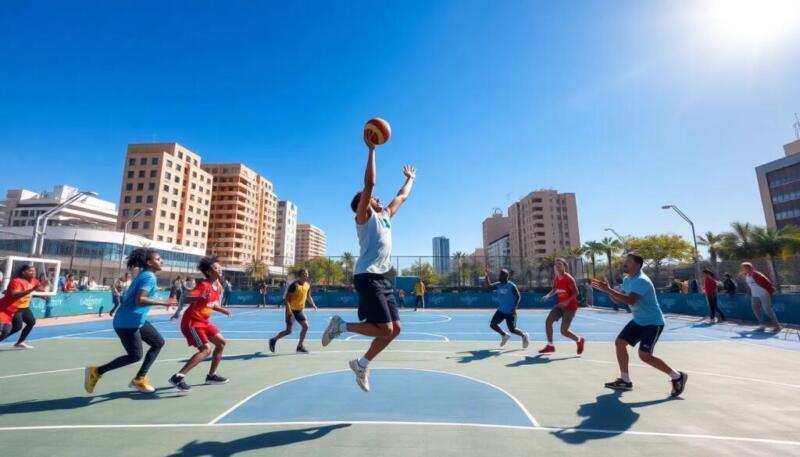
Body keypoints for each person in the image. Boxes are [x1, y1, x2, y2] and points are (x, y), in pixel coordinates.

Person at [320, 134, 416, 392]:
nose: (378, 198)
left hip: (382, 278)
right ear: (363, 203)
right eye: (372, 197)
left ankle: (361, 365)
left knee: (394, 330)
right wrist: (372, 150)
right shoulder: (363, 217)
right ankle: (340, 326)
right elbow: (370, 182)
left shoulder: (385, 216)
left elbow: (402, 197)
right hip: (367, 276)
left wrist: (410, 179)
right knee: (384, 329)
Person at [591, 252, 688, 397]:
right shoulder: (627, 279)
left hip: (653, 322)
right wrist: (608, 291)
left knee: (645, 356)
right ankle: (625, 380)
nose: (625, 263)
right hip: (638, 321)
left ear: (637, 264)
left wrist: (609, 290)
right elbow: (620, 301)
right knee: (620, 343)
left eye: (628, 261)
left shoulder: (642, 280)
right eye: (625, 261)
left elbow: (631, 300)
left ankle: (677, 376)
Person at [84, 248, 177, 394]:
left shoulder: (146, 275)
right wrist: (164, 302)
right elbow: (140, 299)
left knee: (158, 342)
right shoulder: (149, 277)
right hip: (127, 322)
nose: (162, 261)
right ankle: (96, 371)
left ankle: (140, 378)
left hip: (136, 320)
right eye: (158, 259)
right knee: (135, 355)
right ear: (149, 262)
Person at [168, 256, 232, 392]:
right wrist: (199, 297)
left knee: (221, 342)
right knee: (205, 350)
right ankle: (178, 377)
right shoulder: (204, 285)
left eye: (219, 267)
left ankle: (211, 376)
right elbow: (186, 297)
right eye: (215, 268)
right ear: (209, 272)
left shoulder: (218, 286)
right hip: (192, 322)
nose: (219, 269)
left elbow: (211, 303)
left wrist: (222, 309)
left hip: (203, 322)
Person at [538, 258, 585, 354]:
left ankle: (579, 340)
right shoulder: (556, 278)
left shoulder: (568, 279)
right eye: (556, 264)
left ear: (564, 266)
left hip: (570, 307)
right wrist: (548, 295)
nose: (557, 266)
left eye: (559, 264)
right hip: (560, 306)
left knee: (563, 331)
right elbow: (554, 289)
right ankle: (550, 345)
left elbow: (576, 292)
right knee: (548, 321)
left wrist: (566, 301)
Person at [269, 269, 319, 354]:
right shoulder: (294, 285)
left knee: (306, 327)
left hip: (299, 310)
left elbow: (308, 296)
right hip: (291, 310)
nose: (306, 276)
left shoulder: (307, 285)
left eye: (306, 274)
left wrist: (313, 304)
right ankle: (273, 340)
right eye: (304, 274)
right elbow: (287, 299)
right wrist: (288, 310)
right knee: (289, 331)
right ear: (299, 276)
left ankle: (300, 346)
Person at [0, 264, 49, 349]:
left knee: (31, 322)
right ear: (23, 272)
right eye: (31, 270)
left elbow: (35, 291)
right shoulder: (16, 281)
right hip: (14, 307)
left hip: (24, 307)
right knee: (16, 327)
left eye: (34, 270)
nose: (34, 272)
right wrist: (32, 289)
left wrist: (42, 293)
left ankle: (20, 342)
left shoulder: (34, 281)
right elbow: (15, 295)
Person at [484, 268, 529, 349]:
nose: (499, 276)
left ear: (506, 276)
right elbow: (488, 287)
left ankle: (524, 335)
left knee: (512, 329)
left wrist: (514, 308)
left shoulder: (511, 286)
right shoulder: (498, 285)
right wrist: (487, 276)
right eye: (500, 275)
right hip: (501, 310)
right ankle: (504, 335)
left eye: (501, 275)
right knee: (493, 324)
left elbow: (518, 296)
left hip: (510, 312)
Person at [741, 262, 781, 332]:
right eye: (743, 268)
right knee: (755, 308)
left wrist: (770, 290)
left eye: (745, 267)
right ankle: (762, 325)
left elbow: (767, 282)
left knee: (767, 310)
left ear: (750, 267)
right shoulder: (746, 275)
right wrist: (748, 293)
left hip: (763, 293)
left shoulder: (757, 274)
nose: (744, 269)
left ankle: (777, 326)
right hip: (754, 295)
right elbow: (749, 286)